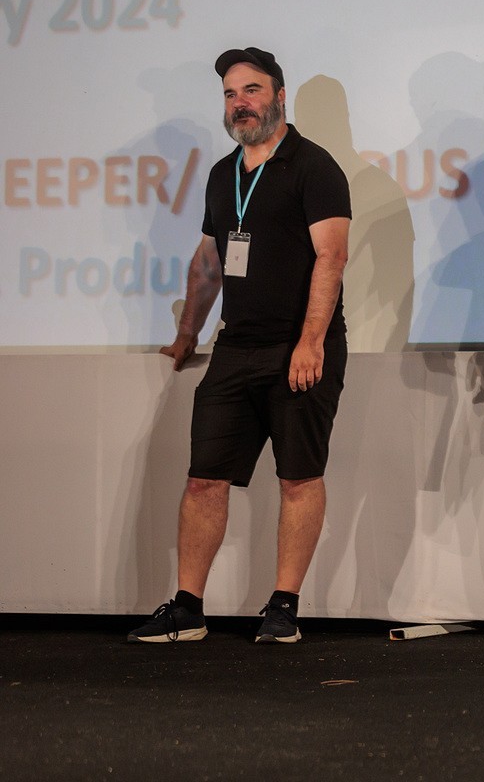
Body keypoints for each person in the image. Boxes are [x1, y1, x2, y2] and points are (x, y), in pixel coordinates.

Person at [127, 47, 351, 645]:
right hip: (236, 347)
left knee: (298, 478)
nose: (240, 103)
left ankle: (283, 606)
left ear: (280, 95)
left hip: (298, 347)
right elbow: (208, 263)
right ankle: (188, 608)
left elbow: (331, 257)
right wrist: (186, 334)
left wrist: (310, 342)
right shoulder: (222, 173)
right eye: (230, 94)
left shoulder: (314, 166)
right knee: (204, 478)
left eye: (251, 90)